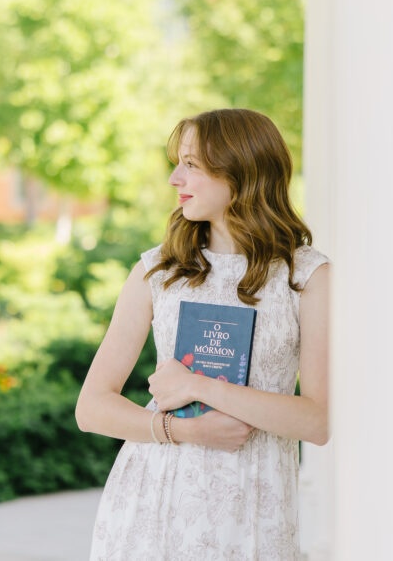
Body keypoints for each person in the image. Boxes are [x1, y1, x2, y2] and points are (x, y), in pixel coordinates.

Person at [75, 108, 331, 560]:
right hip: (151, 506)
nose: (175, 177)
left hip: (254, 512)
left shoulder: (305, 276)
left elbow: (316, 421)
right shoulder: (157, 271)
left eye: (192, 164)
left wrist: (196, 385)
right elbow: (91, 409)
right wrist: (184, 432)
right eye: (178, 163)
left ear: (241, 168)